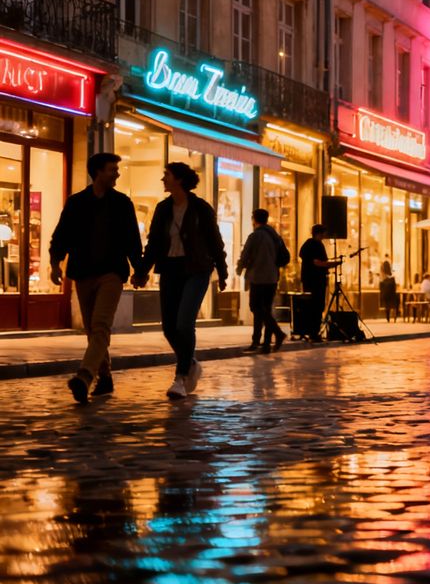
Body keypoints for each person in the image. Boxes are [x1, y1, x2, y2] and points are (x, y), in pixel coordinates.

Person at [49, 152, 144, 403]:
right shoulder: (76, 202)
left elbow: (132, 240)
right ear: (98, 172)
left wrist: (140, 270)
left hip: (111, 272)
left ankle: (84, 376)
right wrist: (54, 262)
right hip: (83, 273)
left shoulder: (122, 203)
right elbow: (62, 234)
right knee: (92, 329)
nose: (117, 174)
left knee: (101, 325)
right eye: (113, 169)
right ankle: (106, 376)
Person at [136, 162, 227, 400]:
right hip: (170, 269)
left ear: (179, 180)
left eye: (166, 175)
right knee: (169, 327)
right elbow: (154, 243)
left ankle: (181, 377)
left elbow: (215, 241)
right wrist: (142, 271)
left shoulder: (200, 208)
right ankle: (191, 362)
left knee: (185, 323)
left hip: (196, 269)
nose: (163, 179)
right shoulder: (163, 208)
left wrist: (223, 271)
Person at [237, 208, 288, 354]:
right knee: (265, 310)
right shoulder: (275, 235)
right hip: (272, 277)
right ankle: (264, 344)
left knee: (256, 308)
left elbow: (245, 254)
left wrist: (239, 269)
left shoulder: (255, 236)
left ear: (254, 219)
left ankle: (276, 334)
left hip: (258, 277)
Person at [298, 224, 342, 342]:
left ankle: (309, 331)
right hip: (316, 280)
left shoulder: (307, 244)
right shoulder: (315, 245)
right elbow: (318, 262)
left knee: (311, 306)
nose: (326, 235)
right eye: (324, 233)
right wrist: (334, 264)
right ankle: (314, 332)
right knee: (317, 306)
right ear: (320, 233)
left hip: (308, 279)